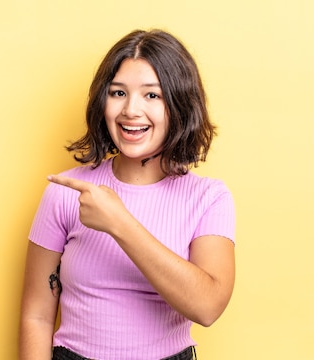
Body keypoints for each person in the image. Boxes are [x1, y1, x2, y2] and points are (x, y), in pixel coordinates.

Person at [20, 29, 236, 360]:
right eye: (118, 92)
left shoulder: (208, 198)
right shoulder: (65, 192)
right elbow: (36, 315)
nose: (130, 110)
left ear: (179, 104)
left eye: (152, 95)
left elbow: (207, 307)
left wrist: (119, 222)